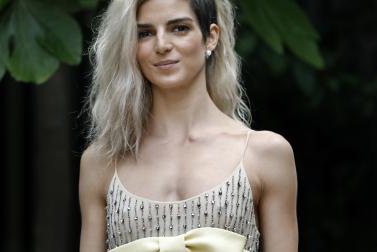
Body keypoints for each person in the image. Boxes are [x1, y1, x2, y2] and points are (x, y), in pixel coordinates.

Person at [79, 0, 298, 251]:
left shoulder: (265, 154)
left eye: (179, 28)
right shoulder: (101, 162)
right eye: (145, 33)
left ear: (211, 37)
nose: (162, 45)